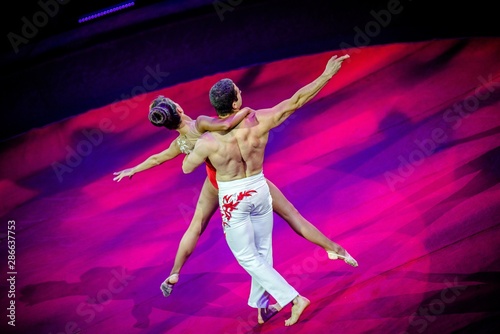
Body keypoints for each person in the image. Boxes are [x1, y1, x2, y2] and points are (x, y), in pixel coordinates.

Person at [182, 54, 351, 326]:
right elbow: (297, 100)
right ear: (235, 102)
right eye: (239, 91)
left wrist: (189, 149)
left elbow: (187, 169)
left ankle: (294, 298)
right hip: (259, 189)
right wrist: (327, 74)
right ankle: (262, 306)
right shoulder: (260, 120)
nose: (241, 93)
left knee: (248, 257)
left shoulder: (208, 140)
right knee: (262, 251)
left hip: (233, 198)